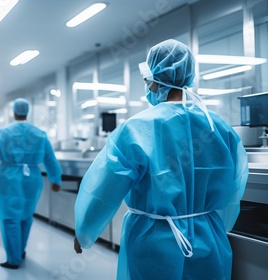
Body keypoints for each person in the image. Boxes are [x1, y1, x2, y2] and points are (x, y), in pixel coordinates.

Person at [73, 39, 248, 280]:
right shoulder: (219, 128)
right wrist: (216, 224)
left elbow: (104, 189)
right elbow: (234, 188)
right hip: (209, 238)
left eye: (147, 81)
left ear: (154, 82)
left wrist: (84, 230)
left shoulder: (136, 129)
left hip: (154, 242)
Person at [0, 98, 62, 269]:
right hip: (32, 178)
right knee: (26, 216)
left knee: (10, 218)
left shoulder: (3, 133)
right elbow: (50, 159)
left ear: (13, 112)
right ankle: (21, 250)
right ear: (27, 112)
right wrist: (55, 179)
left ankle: (13, 259)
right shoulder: (39, 134)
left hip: (10, 177)